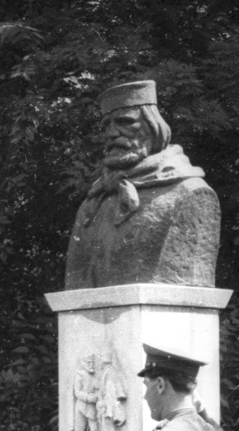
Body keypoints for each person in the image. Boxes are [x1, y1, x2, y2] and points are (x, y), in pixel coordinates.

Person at [64, 80, 220, 290]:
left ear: (154, 126)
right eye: (106, 125)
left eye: (125, 122)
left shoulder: (190, 193)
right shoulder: (93, 204)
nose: (111, 133)